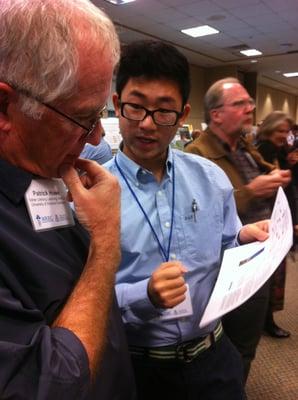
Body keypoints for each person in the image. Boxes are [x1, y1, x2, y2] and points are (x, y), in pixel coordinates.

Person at [105, 40, 270, 400]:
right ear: (117, 104)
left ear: (183, 114)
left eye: (164, 111)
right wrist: (142, 295)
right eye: (135, 107)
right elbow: (78, 295)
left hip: (214, 357)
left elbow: (224, 242)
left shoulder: (210, 178)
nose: (147, 125)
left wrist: (243, 237)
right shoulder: (91, 193)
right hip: (138, 369)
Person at [0, 1, 135, 399]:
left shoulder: (44, 172)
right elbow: (54, 384)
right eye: (83, 119)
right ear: (5, 107)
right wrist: (105, 246)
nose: (96, 138)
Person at [185, 77, 291, 381]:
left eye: (249, 102)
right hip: (229, 264)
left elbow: (261, 171)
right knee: (223, 345)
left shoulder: (243, 146)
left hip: (259, 256)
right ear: (216, 114)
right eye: (240, 103)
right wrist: (251, 190)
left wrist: (275, 174)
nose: (250, 108)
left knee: (246, 343)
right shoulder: (197, 154)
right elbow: (200, 215)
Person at [257, 111, 297, 338]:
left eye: (287, 131)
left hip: (280, 216)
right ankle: (266, 320)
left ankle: (266, 318)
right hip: (268, 219)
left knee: (276, 273)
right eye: (281, 130)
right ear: (270, 129)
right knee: (270, 273)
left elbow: (290, 185)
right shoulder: (261, 151)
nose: (285, 135)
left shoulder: (280, 152)